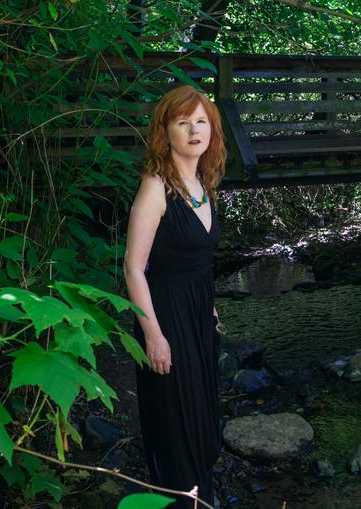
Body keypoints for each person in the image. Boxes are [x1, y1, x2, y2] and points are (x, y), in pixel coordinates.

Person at [124, 85, 227, 508]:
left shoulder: (203, 182)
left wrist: (211, 306)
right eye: (182, 122)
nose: (193, 130)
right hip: (164, 316)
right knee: (174, 417)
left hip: (199, 316)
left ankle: (198, 495)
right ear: (165, 132)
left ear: (212, 130)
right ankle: (181, 499)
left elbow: (197, 258)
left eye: (201, 121)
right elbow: (133, 266)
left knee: (201, 415)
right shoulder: (155, 186)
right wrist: (153, 334)